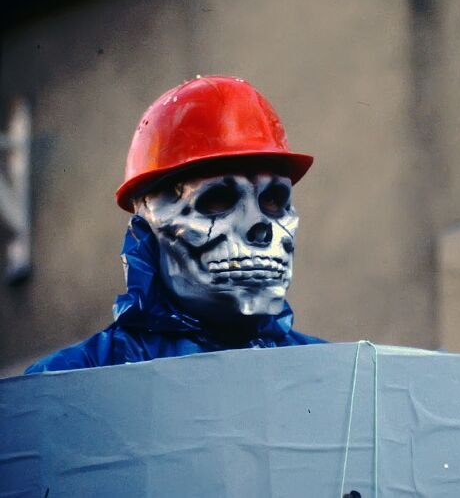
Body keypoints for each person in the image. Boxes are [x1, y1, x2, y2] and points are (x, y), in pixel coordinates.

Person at [26, 76, 325, 373]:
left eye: (273, 200)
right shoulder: (64, 383)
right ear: (147, 230)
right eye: (218, 200)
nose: (260, 228)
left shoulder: (331, 375)